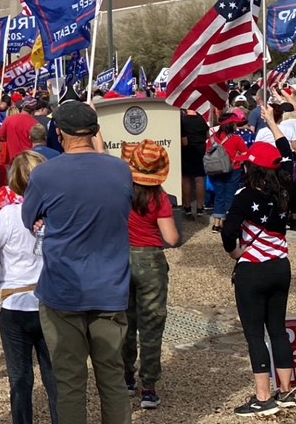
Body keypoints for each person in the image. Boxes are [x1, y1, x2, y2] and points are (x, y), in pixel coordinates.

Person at [21, 101, 132, 424]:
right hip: (110, 287)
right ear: (96, 131)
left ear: (59, 132)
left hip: (63, 289)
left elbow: (29, 217)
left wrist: (46, 216)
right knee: (112, 377)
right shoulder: (120, 169)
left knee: (69, 382)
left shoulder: (44, 174)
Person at [221, 134, 294, 417]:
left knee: (254, 334)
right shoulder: (285, 187)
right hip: (280, 265)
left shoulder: (245, 194)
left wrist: (233, 252)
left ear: (250, 167)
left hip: (253, 268)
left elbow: (229, 230)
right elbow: (287, 155)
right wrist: (275, 126)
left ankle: (263, 398)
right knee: (278, 328)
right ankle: (285, 391)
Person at [0, 150, 58, 424]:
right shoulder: (59, 213)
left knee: (19, 378)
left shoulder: (9, 215)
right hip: (50, 299)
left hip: (15, 301)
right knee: (55, 378)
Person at [120, 141, 180, 409]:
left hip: (121, 259)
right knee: (152, 326)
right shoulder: (159, 197)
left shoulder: (120, 192)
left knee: (124, 322)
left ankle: (125, 378)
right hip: (151, 260)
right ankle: (149, 387)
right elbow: (172, 237)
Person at [208, 110, 248, 232]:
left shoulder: (213, 138)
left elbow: (207, 152)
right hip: (233, 169)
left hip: (217, 169)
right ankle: (227, 222)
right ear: (231, 125)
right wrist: (236, 159)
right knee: (230, 196)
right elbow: (245, 153)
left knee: (219, 195)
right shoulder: (237, 138)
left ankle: (216, 224)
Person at [0, 98, 38, 180]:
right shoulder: (35, 123)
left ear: (22, 107)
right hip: (28, 161)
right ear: (33, 110)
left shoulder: (9, 119)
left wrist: (10, 139)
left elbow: (1, 137)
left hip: (12, 161)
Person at [180, 107, 209, 217]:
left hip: (187, 150)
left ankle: (187, 207)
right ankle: (200, 207)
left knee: (186, 179)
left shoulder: (183, 120)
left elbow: (184, 141)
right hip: (201, 149)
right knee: (199, 179)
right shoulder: (202, 119)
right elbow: (207, 135)